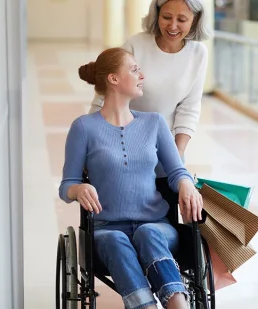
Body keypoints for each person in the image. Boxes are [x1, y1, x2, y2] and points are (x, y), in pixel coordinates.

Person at [60, 48, 205, 309]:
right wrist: (78, 189)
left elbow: (176, 170)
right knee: (116, 239)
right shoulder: (83, 127)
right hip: (106, 229)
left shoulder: (154, 123)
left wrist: (185, 184)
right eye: (135, 69)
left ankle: (178, 304)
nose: (142, 75)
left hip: (156, 226)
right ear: (114, 79)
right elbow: (66, 185)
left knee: (147, 232)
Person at [89, 0, 212, 190]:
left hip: (165, 147)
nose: (172, 26)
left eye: (181, 19)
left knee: (165, 210)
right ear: (156, 14)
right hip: (122, 145)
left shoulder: (198, 53)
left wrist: (176, 156)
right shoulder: (136, 45)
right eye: (166, 17)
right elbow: (104, 94)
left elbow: (189, 107)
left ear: (194, 20)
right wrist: (89, 142)